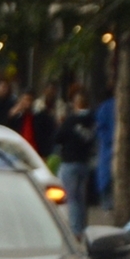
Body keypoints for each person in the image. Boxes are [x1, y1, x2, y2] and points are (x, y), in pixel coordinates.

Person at [54, 86, 97, 237]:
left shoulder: (71, 120)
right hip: (85, 162)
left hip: (70, 162)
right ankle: (83, 228)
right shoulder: (93, 120)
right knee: (82, 198)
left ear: (76, 103)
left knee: (72, 198)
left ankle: (75, 230)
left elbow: (58, 137)